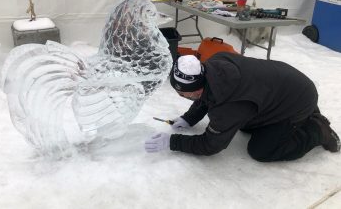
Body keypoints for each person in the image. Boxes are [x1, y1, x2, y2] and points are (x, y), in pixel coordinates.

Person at [144, 53, 340, 162]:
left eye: (184, 95)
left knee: (262, 151)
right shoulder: (215, 64)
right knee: (243, 124)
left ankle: (317, 129)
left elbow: (211, 145)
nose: (182, 97)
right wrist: (190, 118)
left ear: (198, 87)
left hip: (297, 100)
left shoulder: (230, 108)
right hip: (282, 86)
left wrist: (173, 142)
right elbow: (206, 96)